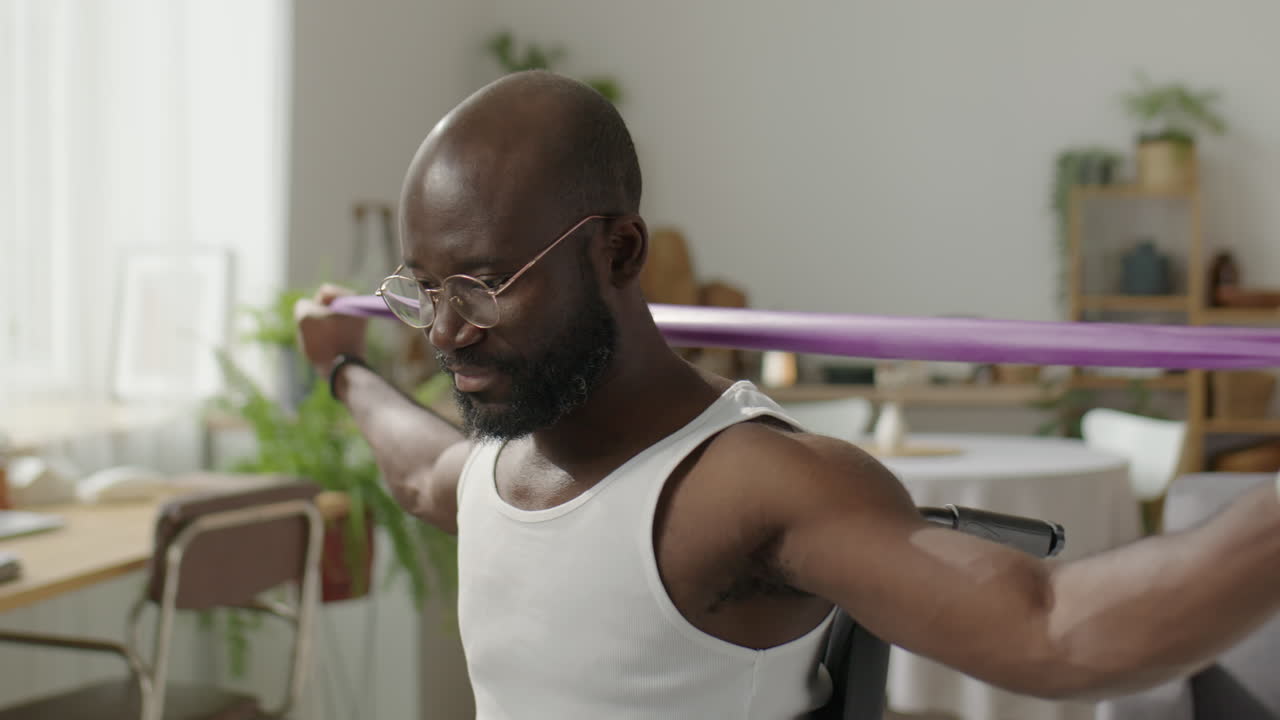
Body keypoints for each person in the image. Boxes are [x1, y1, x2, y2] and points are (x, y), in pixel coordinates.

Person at [295, 70, 1280, 719]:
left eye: (481, 286)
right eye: (422, 291)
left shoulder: (752, 487)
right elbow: (423, 470)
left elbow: (1050, 628)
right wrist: (343, 365)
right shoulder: (502, 463)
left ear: (618, 252)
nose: (447, 330)